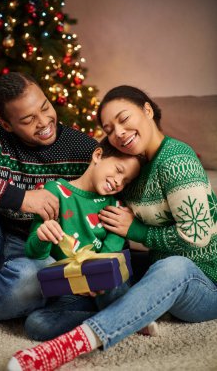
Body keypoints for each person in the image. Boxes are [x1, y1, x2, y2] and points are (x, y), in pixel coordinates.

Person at [7, 85, 217, 371]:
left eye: (124, 118)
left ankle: (80, 341)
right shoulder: (137, 167)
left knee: (173, 266)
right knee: (110, 270)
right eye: (109, 127)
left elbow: (197, 235)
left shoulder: (177, 160)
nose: (118, 131)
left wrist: (137, 232)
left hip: (205, 281)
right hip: (158, 261)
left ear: (147, 110)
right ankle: (134, 315)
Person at [0, 71, 97, 322]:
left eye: (45, 107)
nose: (44, 122)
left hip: (36, 259)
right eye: (28, 119)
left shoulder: (83, 150)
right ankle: (0, 300)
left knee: (34, 277)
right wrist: (21, 198)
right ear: (7, 125)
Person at [22, 136, 157, 341]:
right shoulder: (54, 192)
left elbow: (110, 251)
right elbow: (33, 252)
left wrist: (94, 276)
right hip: (71, 290)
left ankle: (122, 314)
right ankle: (123, 318)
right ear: (98, 155)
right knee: (36, 325)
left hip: (106, 282)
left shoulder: (116, 208)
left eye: (126, 181)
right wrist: (43, 236)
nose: (118, 182)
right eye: (119, 171)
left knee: (116, 277)